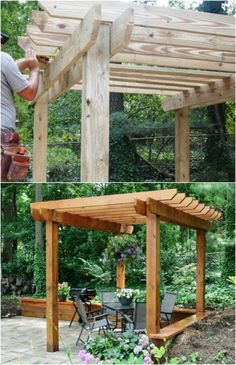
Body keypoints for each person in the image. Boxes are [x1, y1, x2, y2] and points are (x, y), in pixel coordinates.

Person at [1, 32, 40, 181]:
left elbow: (7, 70)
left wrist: (26, 62)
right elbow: (29, 93)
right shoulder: (3, 58)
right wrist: (34, 69)